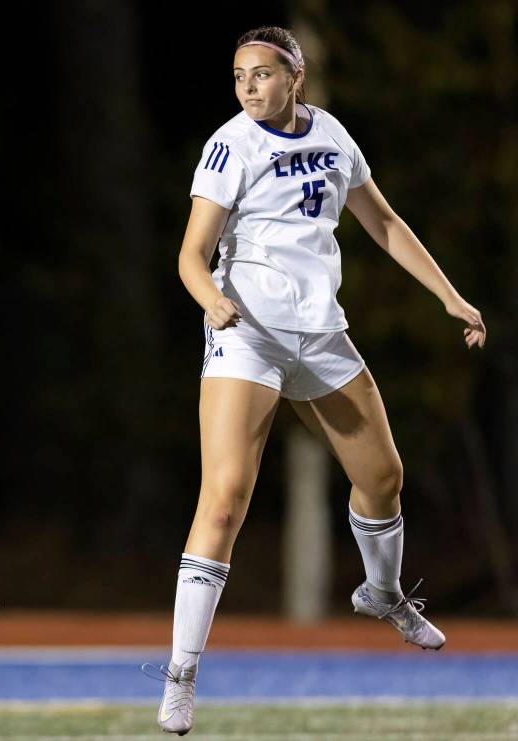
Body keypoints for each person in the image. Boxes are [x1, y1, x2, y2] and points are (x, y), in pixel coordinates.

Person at [153, 27, 486, 735]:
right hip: (248, 337)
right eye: (238, 74)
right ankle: (181, 674)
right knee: (224, 498)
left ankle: (384, 593)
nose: (247, 87)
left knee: (384, 477)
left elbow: (384, 221)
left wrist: (448, 295)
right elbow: (189, 253)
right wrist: (212, 300)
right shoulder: (230, 145)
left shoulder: (332, 134)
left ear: (296, 77)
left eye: (262, 74)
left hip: (321, 333)